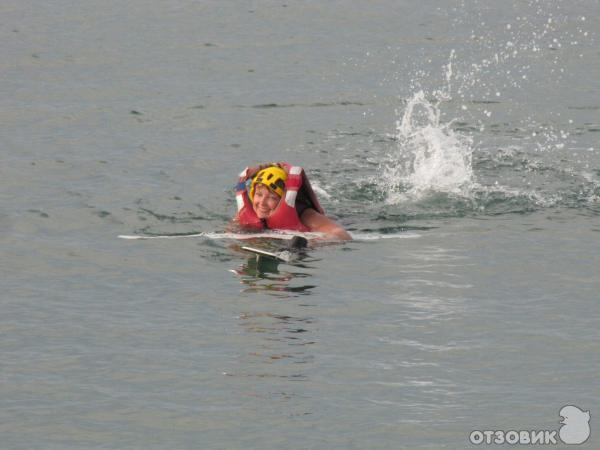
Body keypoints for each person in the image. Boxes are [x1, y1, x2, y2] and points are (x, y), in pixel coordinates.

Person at [232, 162, 352, 240]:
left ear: (282, 199)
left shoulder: (306, 214)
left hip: (346, 222)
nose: (262, 203)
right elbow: (231, 233)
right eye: (258, 195)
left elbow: (341, 234)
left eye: (272, 197)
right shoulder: (248, 212)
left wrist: (309, 244)